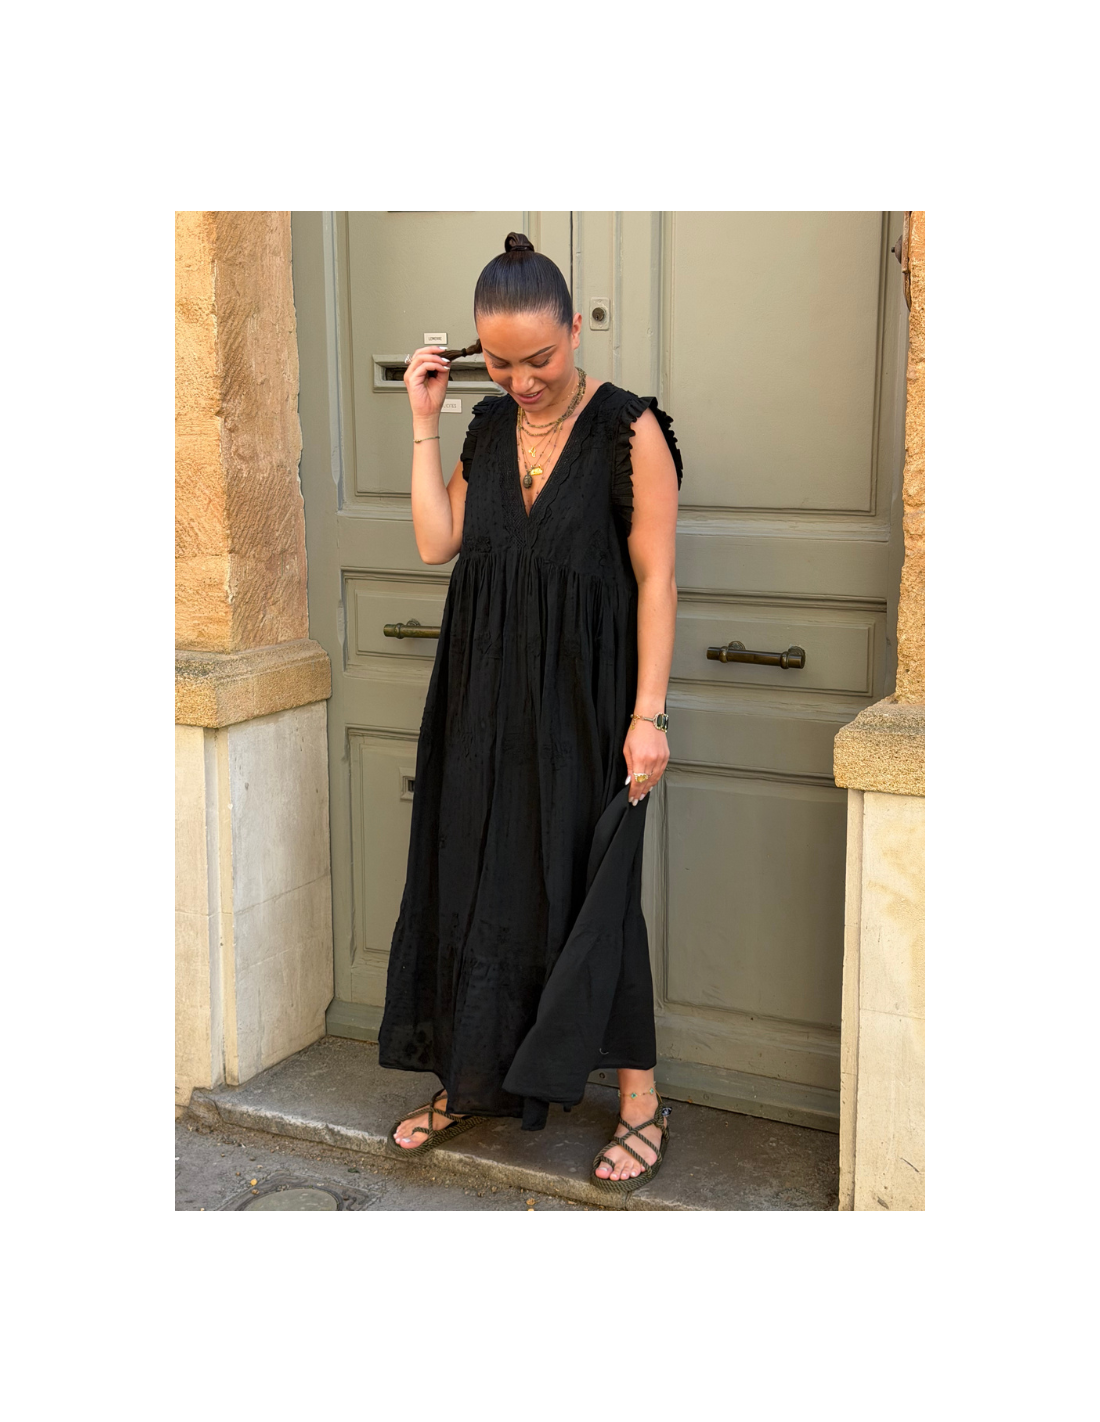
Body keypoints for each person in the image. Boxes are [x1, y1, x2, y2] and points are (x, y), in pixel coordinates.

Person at [377, 232, 683, 1194]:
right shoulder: (484, 429)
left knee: (594, 897)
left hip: (585, 708)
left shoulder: (630, 431)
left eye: (540, 359)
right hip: (480, 699)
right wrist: (423, 420)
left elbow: (657, 578)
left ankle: (641, 1102)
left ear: (576, 328)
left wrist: (649, 716)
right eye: (502, 364)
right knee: (471, 880)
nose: (523, 381)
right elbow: (437, 541)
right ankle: (472, 1080)